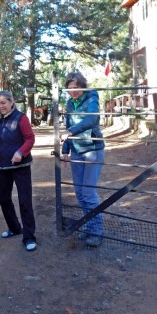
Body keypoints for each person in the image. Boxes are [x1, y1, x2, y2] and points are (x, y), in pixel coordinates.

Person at [0, 91, 37, 251]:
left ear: (11, 102)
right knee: (3, 199)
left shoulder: (21, 118)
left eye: (4, 102)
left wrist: (20, 152)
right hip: (3, 165)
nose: (1, 106)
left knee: (25, 201)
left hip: (21, 166)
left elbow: (30, 138)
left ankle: (29, 237)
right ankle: (15, 228)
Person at [60, 72, 105, 247]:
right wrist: (65, 149)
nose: (73, 92)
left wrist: (71, 132)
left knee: (88, 192)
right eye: (70, 89)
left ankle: (96, 231)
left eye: (76, 88)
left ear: (82, 86)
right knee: (79, 193)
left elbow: (92, 118)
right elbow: (68, 125)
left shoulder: (92, 97)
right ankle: (88, 224)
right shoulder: (70, 103)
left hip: (92, 149)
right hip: (77, 150)